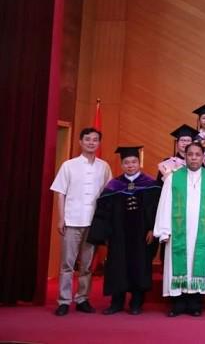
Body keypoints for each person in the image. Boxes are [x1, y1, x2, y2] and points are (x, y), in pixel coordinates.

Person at [87, 146, 161, 315]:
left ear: (139, 163)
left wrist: (152, 229)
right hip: (119, 235)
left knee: (139, 265)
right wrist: (105, 234)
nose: (130, 165)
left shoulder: (150, 185)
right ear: (121, 165)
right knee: (117, 266)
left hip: (142, 235)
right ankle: (116, 302)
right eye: (126, 162)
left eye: (134, 162)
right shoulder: (114, 186)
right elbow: (103, 212)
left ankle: (136, 302)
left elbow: (157, 210)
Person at [50, 128, 113, 316]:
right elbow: (60, 193)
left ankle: (82, 298)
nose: (91, 143)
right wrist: (61, 218)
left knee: (87, 265)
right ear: (80, 142)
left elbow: (108, 194)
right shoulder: (69, 165)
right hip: (72, 219)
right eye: (88, 140)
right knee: (67, 264)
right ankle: (63, 300)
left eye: (95, 140)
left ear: (99, 143)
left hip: (93, 223)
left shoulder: (104, 166)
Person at [154, 142, 205, 317]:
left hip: (202, 231)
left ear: (203, 157)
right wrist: (164, 230)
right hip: (177, 231)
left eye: (198, 154)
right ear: (185, 156)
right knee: (177, 265)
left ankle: (195, 303)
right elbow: (164, 204)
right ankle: (178, 303)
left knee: (198, 264)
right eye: (190, 154)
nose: (194, 158)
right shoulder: (173, 178)